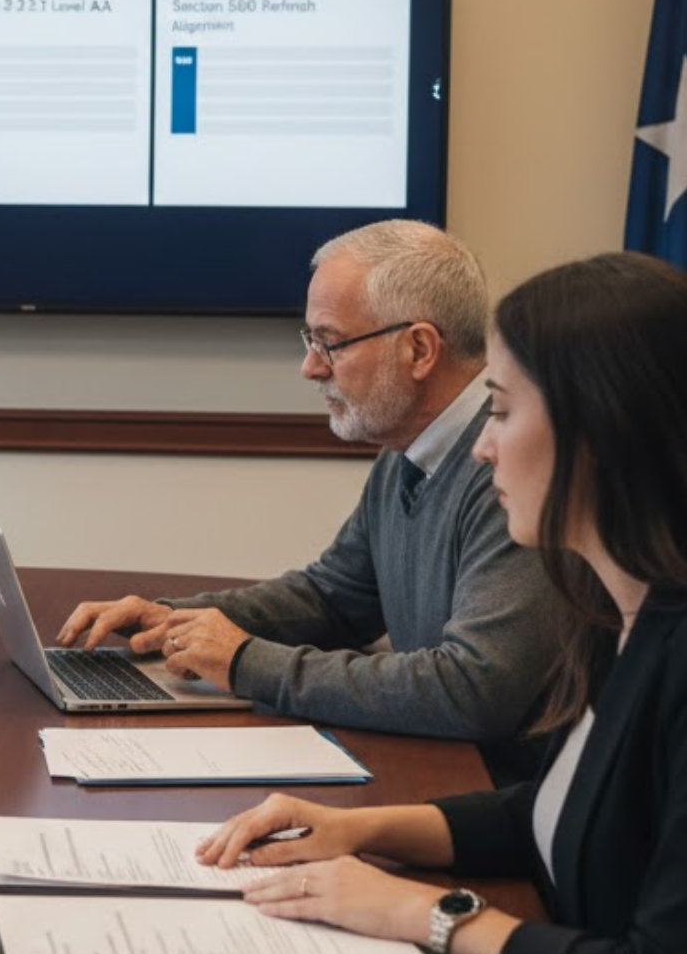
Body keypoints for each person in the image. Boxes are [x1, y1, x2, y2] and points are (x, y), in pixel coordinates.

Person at [195, 251, 687, 954]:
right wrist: (362, 828)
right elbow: (558, 810)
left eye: (504, 411)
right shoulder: (612, 613)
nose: (483, 448)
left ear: (600, 436)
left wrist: (422, 914)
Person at [57, 221, 562, 780]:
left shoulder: (513, 471)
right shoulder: (406, 449)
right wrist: (178, 618)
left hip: (507, 816)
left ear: (418, 349)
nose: (311, 366)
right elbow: (334, 599)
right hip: (446, 777)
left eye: (331, 342)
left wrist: (248, 662)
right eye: (311, 341)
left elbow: (475, 689)